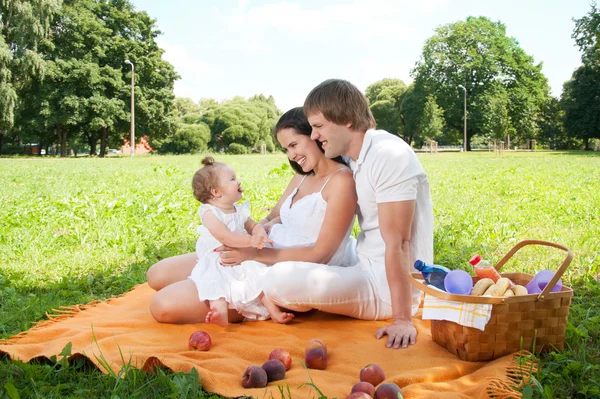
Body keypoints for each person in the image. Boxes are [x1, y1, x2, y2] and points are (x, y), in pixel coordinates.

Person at [219, 79, 434, 350]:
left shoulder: (388, 155)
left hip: (385, 290)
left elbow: (399, 243)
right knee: (277, 275)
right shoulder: (361, 157)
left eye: (318, 127)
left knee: (277, 280)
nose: (315, 136)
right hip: (364, 268)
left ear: (344, 119)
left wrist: (402, 319)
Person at [146, 107, 358, 324]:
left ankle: (245, 299)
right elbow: (274, 216)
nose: (291, 155)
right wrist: (252, 231)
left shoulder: (341, 181)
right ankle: (215, 279)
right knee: (156, 274)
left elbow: (320, 254)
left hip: (282, 270)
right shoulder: (302, 175)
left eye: (294, 145)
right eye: (286, 149)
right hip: (259, 249)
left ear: (315, 135)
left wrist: (250, 254)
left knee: (162, 306)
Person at [185, 156, 293, 326]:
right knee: (216, 284)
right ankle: (220, 312)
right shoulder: (209, 212)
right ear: (216, 192)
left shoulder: (238, 210)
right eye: (232, 179)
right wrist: (251, 241)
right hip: (219, 259)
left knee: (258, 277)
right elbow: (225, 237)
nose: (238, 181)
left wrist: (260, 234)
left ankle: (274, 312)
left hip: (242, 255)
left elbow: (253, 225)